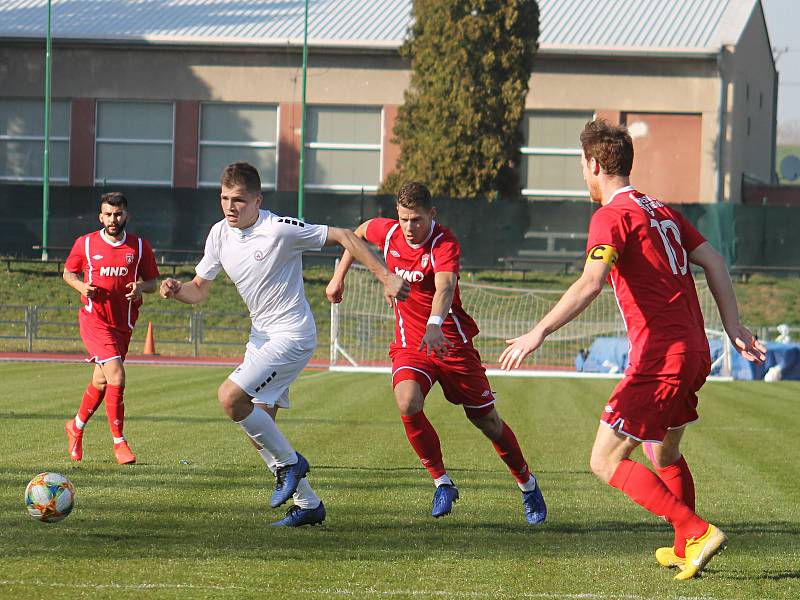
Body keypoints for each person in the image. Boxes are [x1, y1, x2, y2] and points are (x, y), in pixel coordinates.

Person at [499, 119, 767, 579]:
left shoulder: (610, 216)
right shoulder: (661, 209)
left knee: (604, 460)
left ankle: (696, 530)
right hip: (695, 350)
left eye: (582, 166)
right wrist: (733, 324)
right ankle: (686, 547)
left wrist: (538, 332)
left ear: (595, 164)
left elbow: (590, 283)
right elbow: (715, 261)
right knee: (662, 452)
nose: (583, 176)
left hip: (661, 356)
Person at [159, 162, 408, 527]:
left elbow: (346, 235)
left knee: (230, 398)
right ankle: (308, 504)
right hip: (261, 338)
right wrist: (177, 290)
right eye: (225, 198)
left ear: (257, 200)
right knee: (260, 432)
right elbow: (199, 289)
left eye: (240, 200)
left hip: (292, 335)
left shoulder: (278, 229)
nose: (231, 206)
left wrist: (384, 275)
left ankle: (292, 464)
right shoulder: (219, 234)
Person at [326, 181, 547, 524]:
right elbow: (356, 234)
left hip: (451, 345)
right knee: (407, 401)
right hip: (410, 345)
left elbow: (445, 287)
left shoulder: (444, 244)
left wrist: (434, 323)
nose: (409, 228)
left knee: (487, 422)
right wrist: (339, 277)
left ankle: (527, 484)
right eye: (403, 219)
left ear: (432, 214)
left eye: (416, 220)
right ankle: (442, 482)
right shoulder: (389, 233)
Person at [63, 191, 160, 465]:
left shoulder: (139, 247)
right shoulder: (85, 244)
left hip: (123, 324)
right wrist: (82, 286)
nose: (113, 219)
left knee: (101, 381)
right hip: (94, 320)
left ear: (126, 215)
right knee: (116, 376)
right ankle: (119, 443)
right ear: (100, 217)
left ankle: (76, 427)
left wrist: (140, 287)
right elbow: (68, 273)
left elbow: (153, 282)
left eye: (118, 214)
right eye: (108, 214)